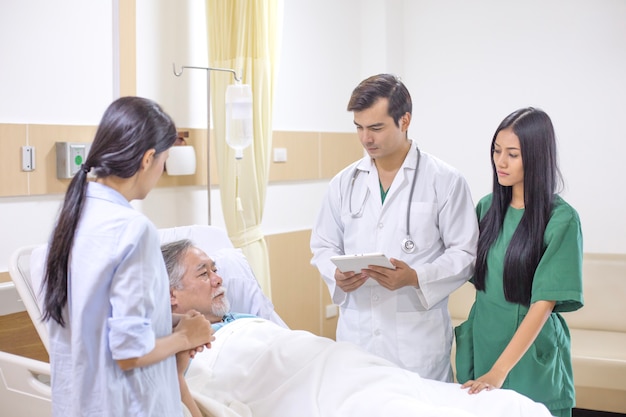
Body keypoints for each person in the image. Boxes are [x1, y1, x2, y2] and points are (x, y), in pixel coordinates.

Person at [160, 239, 554, 417]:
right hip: (303, 394)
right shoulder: (183, 354)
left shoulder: (245, 321)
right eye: (204, 272)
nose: (218, 278)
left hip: (343, 366)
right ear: (171, 295)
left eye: (216, 268)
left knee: (511, 407)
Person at [41, 96, 215, 417]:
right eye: (164, 161)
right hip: (125, 405)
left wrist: (173, 321)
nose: (161, 172)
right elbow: (129, 353)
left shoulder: (70, 218)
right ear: (148, 159)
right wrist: (184, 337)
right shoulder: (133, 230)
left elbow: (97, 320)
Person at [309, 73, 479, 382]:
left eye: (376, 128)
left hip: (416, 343)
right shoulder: (344, 183)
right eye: (359, 128)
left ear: (404, 120)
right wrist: (336, 275)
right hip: (357, 337)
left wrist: (416, 276)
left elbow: (465, 253)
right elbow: (323, 244)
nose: (366, 139)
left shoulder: (444, 180)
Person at [454, 107, 584, 417]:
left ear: (538, 157)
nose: (500, 161)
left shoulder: (561, 219)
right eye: (497, 151)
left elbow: (543, 304)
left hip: (528, 356)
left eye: (512, 154)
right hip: (485, 342)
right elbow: (459, 263)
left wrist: (498, 372)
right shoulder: (487, 208)